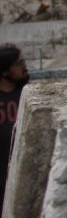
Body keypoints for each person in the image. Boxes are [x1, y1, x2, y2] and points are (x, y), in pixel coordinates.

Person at [0, 44, 28, 209]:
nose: (24, 66)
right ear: (4, 71)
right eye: (18, 64)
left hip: (22, 172)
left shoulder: (28, 95)